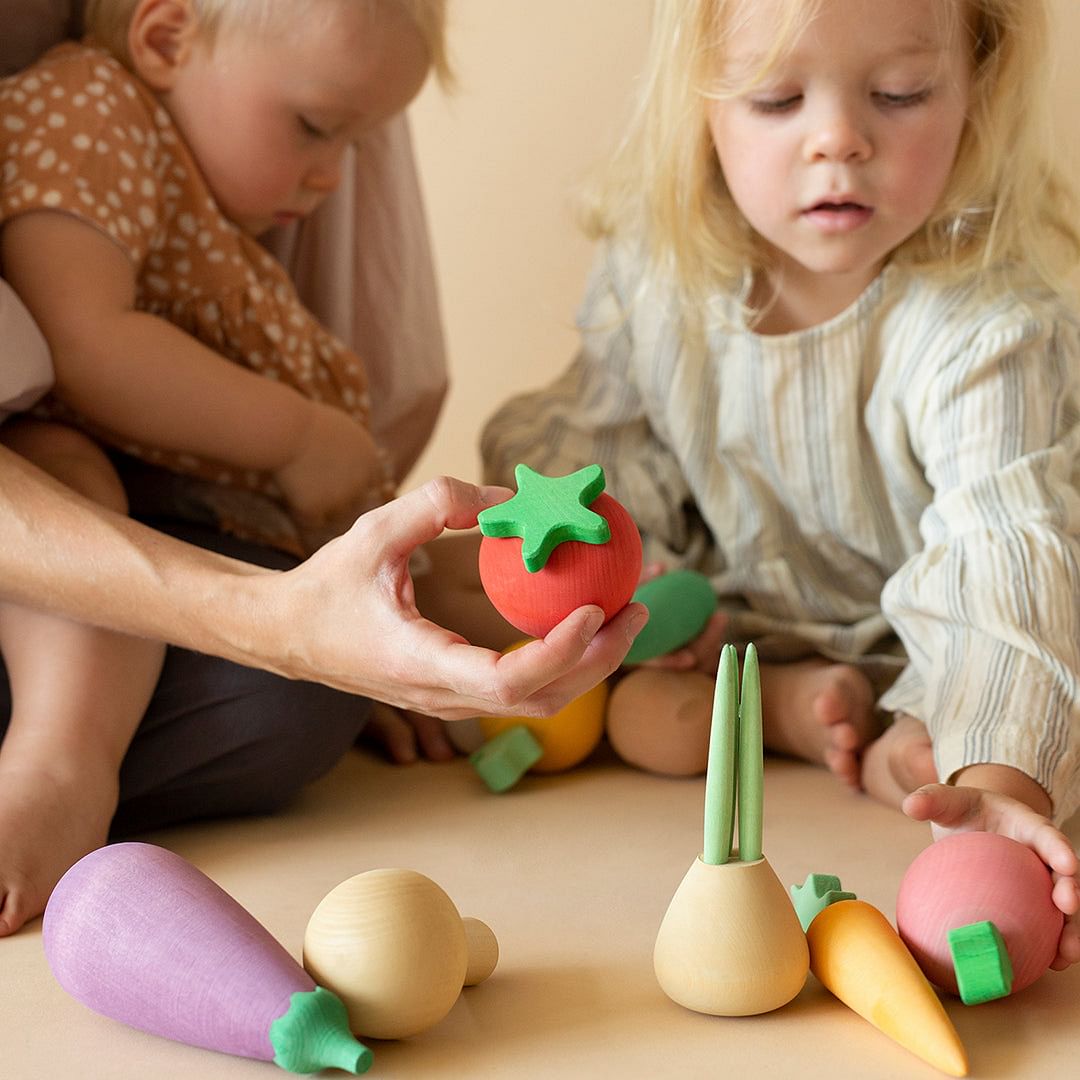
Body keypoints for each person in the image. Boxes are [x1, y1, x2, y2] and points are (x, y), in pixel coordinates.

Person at [0, 0, 646, 937]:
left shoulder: (221, 222)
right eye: (313, 127)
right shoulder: (88, 105)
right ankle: (59, 765)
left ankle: (631, 638)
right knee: (71, 478)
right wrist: (298, 436)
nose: (333, 177)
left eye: (356, 144)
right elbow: (82, 340)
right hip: (58, 488)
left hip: (195, 527)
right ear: (166, 38)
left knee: (313, 694)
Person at [481, 0, 1080, 969]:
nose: (838, 138)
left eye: (900, 93)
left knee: (971, 736)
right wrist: (638, 594)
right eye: (775, 99)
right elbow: (602, 462)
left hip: (947, 650)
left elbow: (1005, 557)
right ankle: (795, 714)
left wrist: (1001, 785)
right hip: (746, 628)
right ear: (700, 110)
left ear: (979, 84)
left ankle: (899, 750)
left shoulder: (987, 324)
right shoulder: (658, 273)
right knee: (637, 715)